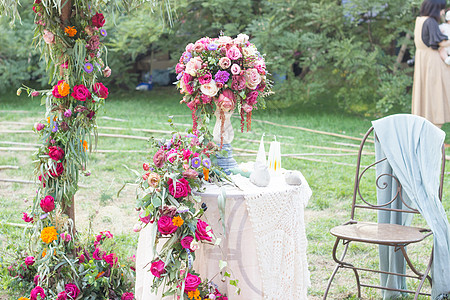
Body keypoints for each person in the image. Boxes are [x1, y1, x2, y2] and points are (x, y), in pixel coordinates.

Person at [412, 0, 450, 128]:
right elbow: (441, 43)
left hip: (422, 60)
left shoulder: (420, 20)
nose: (443, 12)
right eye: (441, 9)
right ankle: (435, 130)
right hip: (432, 62)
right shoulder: (431, 22)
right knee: (435, 95)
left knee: (425, 95)